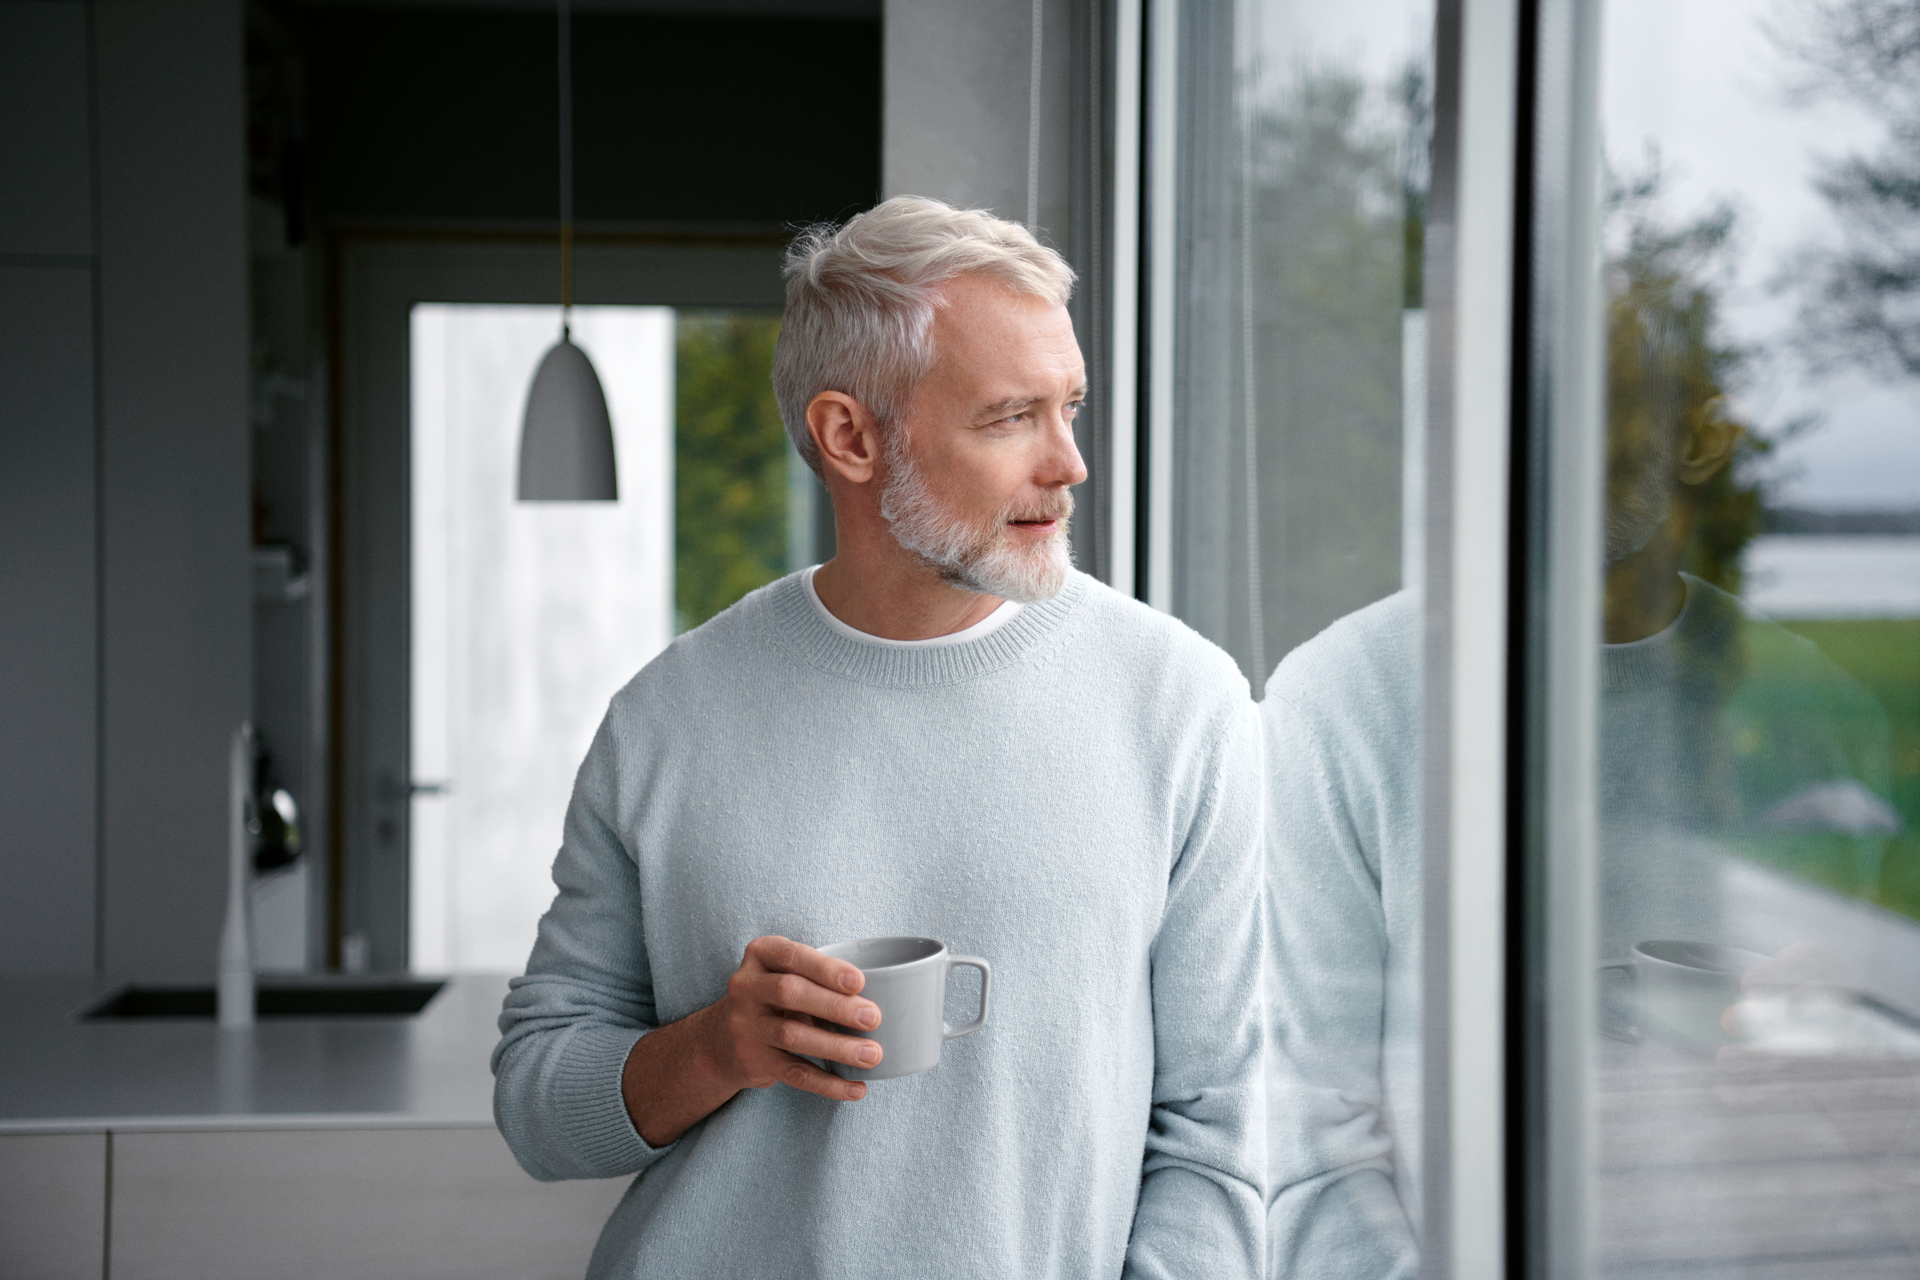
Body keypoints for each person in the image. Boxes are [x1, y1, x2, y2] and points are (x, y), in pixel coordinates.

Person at [492, 196, 1267, 1279]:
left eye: (1071, 407)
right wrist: (719, 1045)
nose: (1070, 462)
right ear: (849, 435)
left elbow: (1227, 1126)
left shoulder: (1182, 704)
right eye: (1010, 418)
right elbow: (537, 1097)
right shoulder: (668, 716)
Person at [1260, 263, 1892, 1276]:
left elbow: (1847, 1084)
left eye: (1604, 399)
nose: (1548, 440)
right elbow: (1307, 1137)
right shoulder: (1339, 700)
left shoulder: (1813, 715)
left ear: (1695, 435)